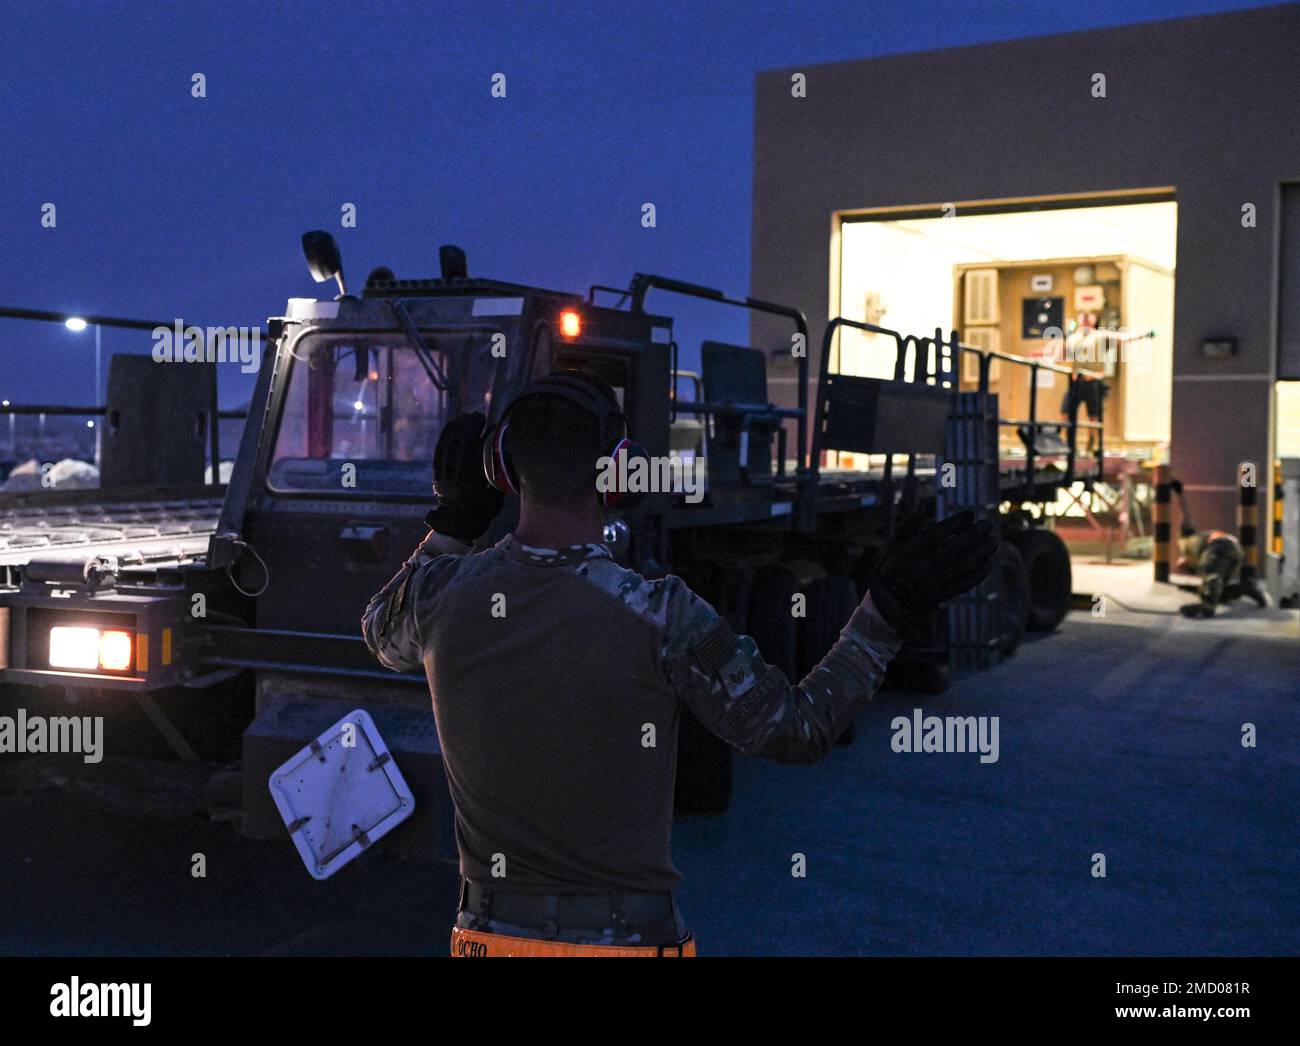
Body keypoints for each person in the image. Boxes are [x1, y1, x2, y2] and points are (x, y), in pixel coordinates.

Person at [362, 370, 996, 956]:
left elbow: (380, 635)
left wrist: (451, 524)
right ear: (617, 474)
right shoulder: (660, 614)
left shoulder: (439, 596)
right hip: (627, 942)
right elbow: (796, 730)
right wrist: (883, 614)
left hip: (484, 939)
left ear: (500, 468)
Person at [1171, 479, 1267, 618]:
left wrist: (1179, 492)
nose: (1181, 565)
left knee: (1211, 575)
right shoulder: (1199, 558)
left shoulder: (1186, 539)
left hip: (1219, 545)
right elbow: (1206, 582)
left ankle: (1207, 606)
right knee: (1219, 588)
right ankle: (1243, 589)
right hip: (1235, 550)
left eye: (1183, 566)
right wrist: (1190, 588)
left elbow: (1185, 513)